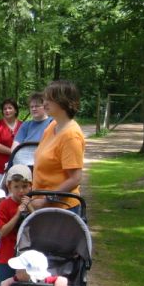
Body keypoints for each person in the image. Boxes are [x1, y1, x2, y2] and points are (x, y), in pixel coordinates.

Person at [31, 80, 85, 215]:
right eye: (45, 98)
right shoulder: (53, 125)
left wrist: (46, 200)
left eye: (50, 99)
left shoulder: (71, 135)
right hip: (44, 206)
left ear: (63, 101)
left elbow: (75, 178)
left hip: (62, 210)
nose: (44, 103)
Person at [0, 164, 34, 286]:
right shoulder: (4, 205)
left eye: (24, 186)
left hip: (26, 254)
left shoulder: (32, 204)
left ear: (30, 187)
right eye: (16, 187)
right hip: (8, 254)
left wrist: (30, 207)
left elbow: (37, 225)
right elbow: (3, 231)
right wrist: (17, 214)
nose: (21, 191)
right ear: (9, 187)